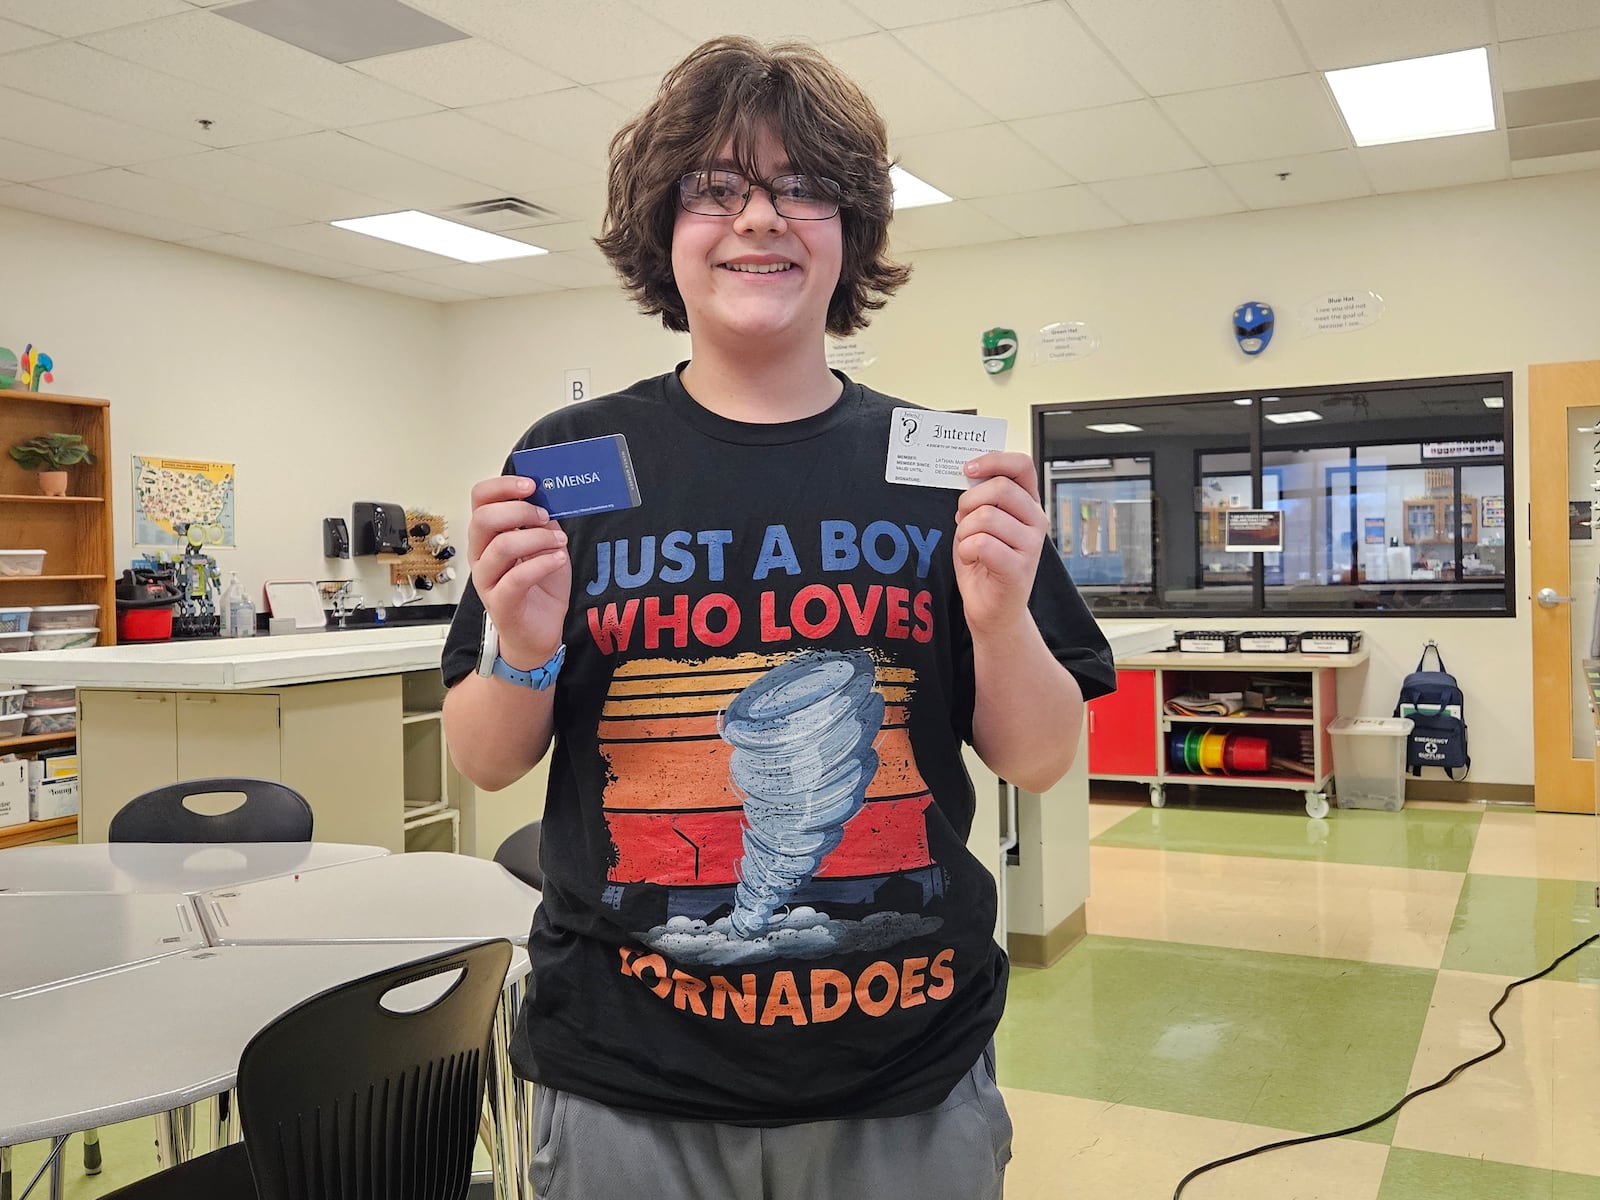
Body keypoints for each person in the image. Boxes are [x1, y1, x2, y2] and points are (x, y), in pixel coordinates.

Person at [441, 35, 1116, 1200]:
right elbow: (487, 758)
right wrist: (527, 650)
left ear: (848, 233)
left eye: (804, 189)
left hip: (902, 1074)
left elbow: (1040, 758)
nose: (761, 219)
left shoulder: (936, 470)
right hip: (625, 1078)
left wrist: (1002, 620)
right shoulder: (574, 463)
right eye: (715, 189)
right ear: (665, 230)